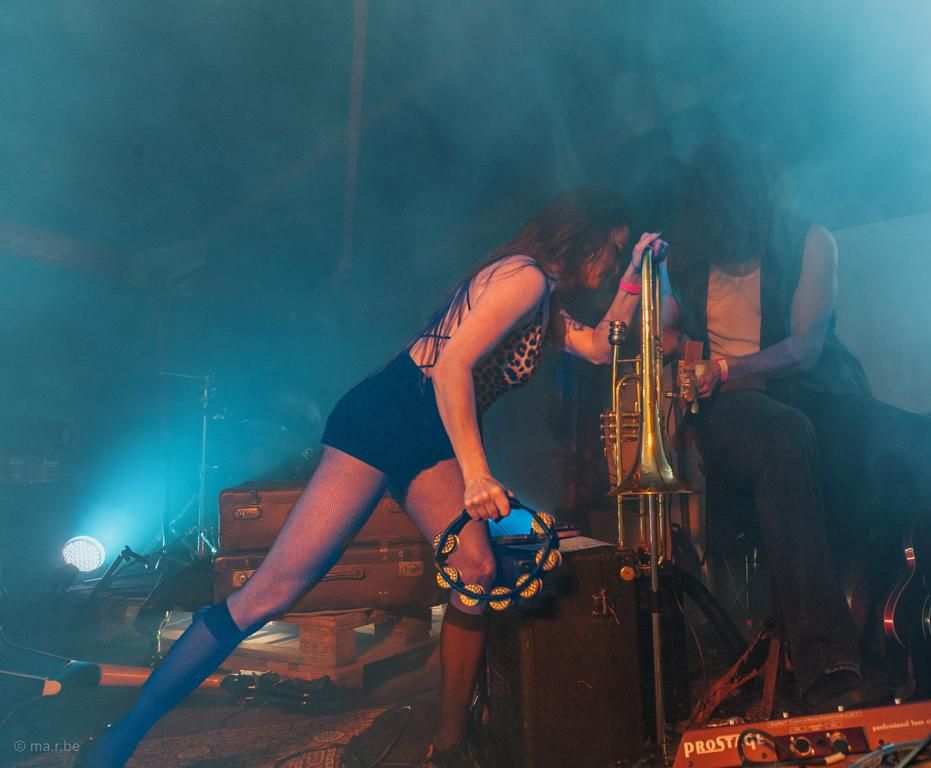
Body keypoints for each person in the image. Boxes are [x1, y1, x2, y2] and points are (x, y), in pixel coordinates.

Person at [80, 186, 666, 768]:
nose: (611, 262)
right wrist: (476, 474)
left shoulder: (542, 293)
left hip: (415, 424)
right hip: (394, 416)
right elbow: (450, 368)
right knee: (273, 592)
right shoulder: (525, 278)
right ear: (583, 238)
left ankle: (450, 744)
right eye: (613, 251)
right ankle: (118, 740)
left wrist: (638, 273)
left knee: (476, 569)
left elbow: (599, 348)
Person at [662, 138, 931, 711]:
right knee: (783, 435)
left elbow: (806, 346)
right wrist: (681, 350)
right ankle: (829, 669)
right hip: (734, 413)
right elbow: (660, 329)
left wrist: (724, 366)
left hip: (814, 394)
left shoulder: (810, 241)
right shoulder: (686, 258)